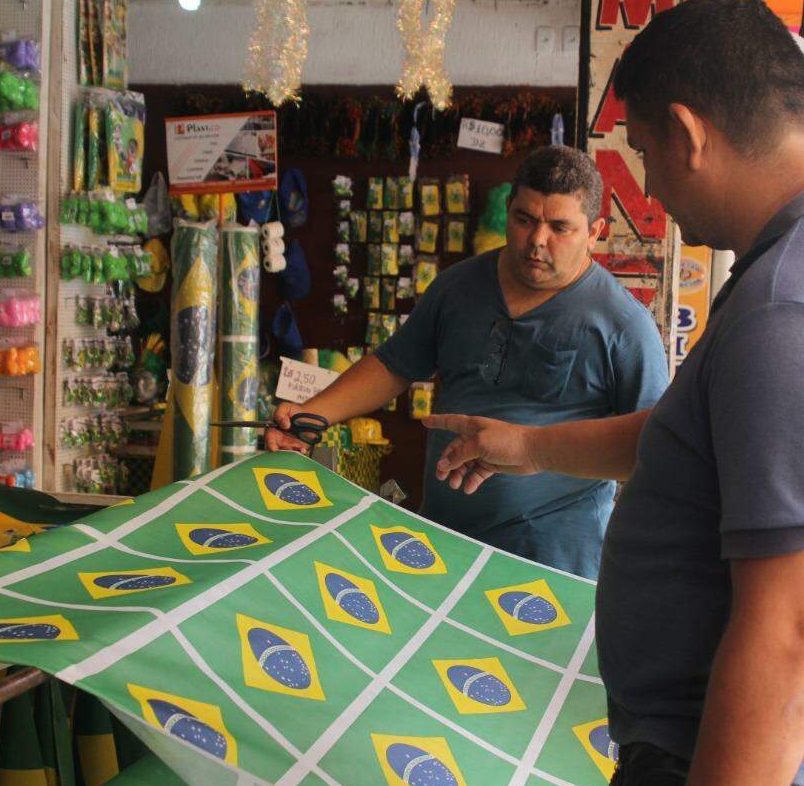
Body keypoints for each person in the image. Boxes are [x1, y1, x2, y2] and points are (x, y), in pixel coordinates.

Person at [423, 0, 804, 786]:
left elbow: (791, 629)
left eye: (640, 150)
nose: (647, 184)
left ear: (686, 131)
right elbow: (714, 442)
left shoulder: (800, 309)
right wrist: (528, 444)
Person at [265, 146, 668, 578]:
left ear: (595, 232)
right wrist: (313, 414)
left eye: (560, 227)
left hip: (551, 563)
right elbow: (394, 364)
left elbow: (656, 452)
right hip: (441, 543)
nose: (537, 240)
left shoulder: (625, 325)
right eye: (525, 219)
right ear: (508, 209)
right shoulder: (457, 287)